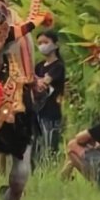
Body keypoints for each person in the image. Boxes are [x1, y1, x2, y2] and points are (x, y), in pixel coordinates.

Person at [32, 30, 66, 164]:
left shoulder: (58, 66)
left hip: (51, 111)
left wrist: (36, 81)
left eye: (46, 42)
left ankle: (50, 170)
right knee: (36, 146)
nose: (42, 45)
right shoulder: (39, 66)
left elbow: (43, 83)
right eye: (40, 43)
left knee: (49, 146)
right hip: (37, 110)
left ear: (55, 45)